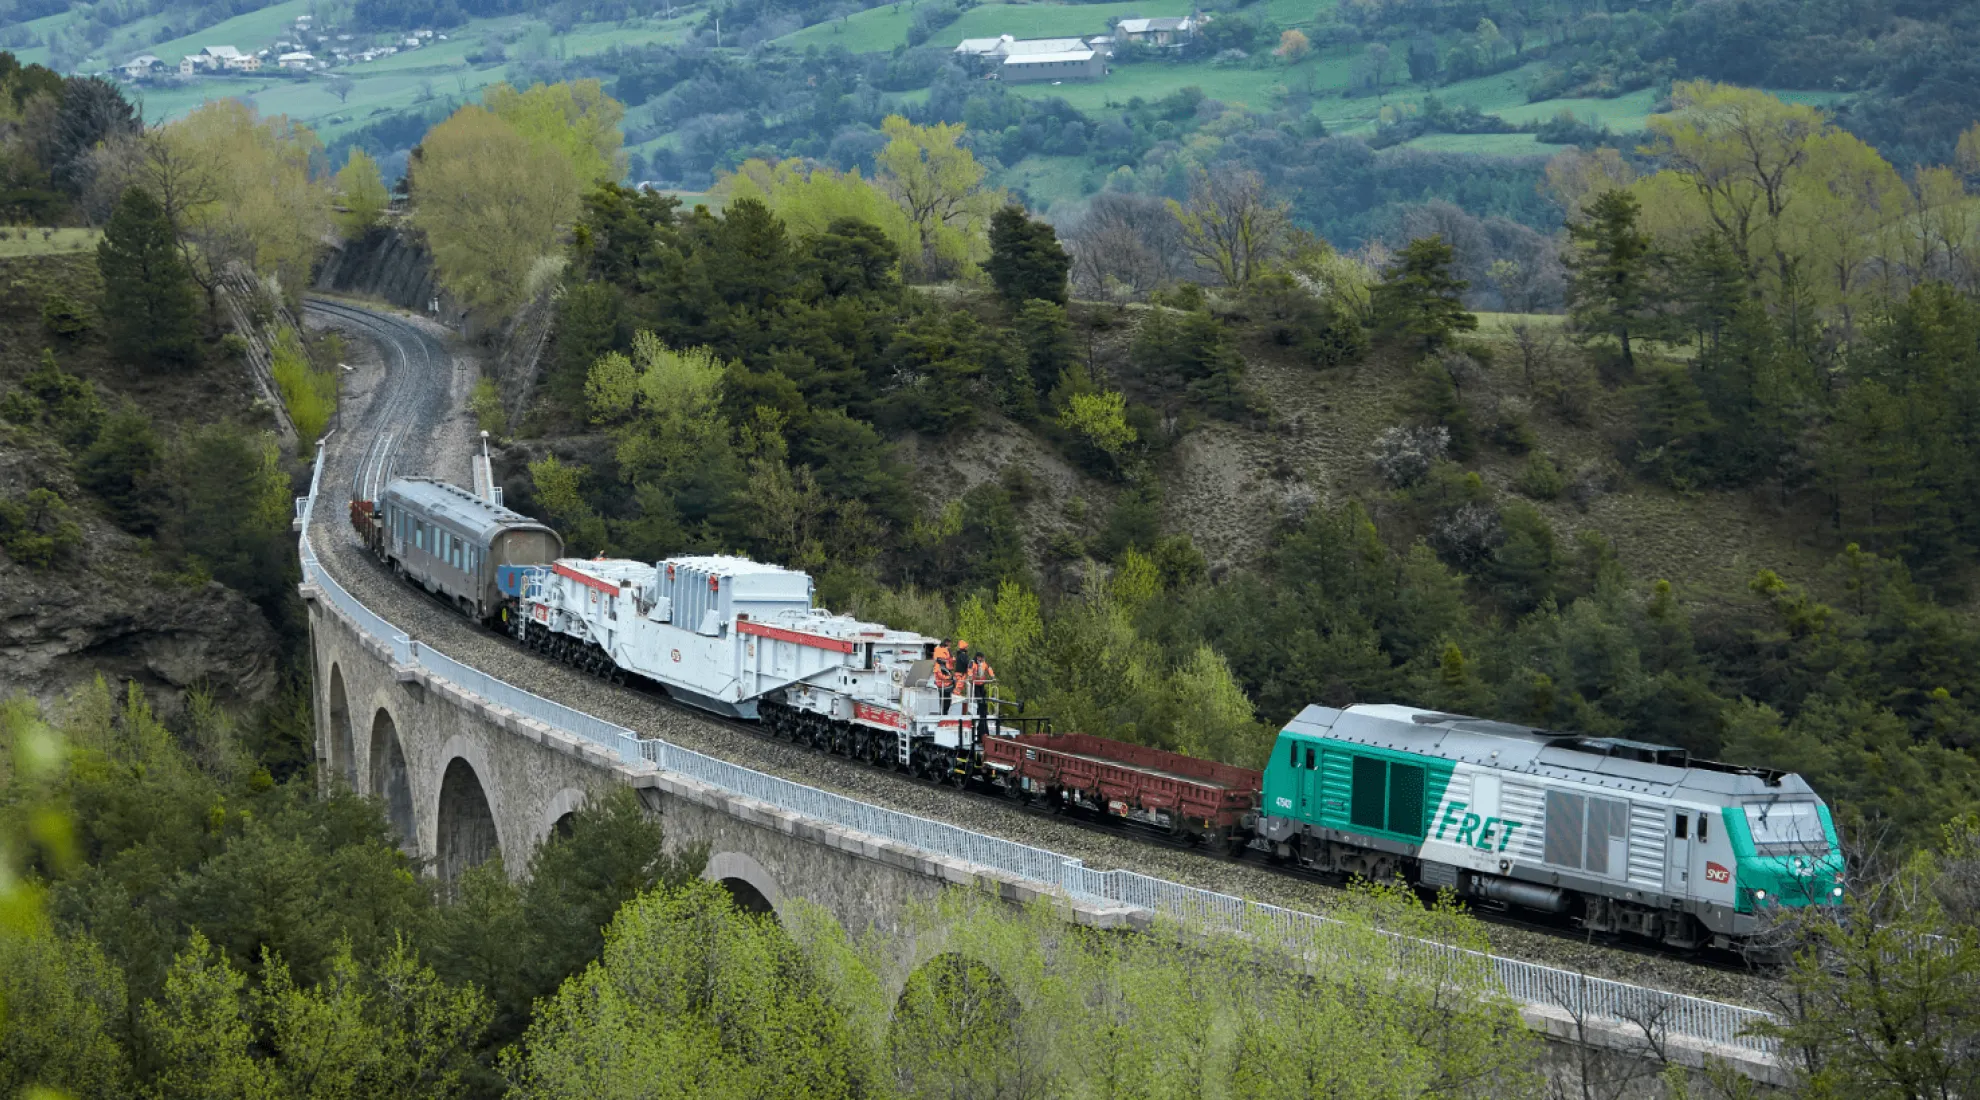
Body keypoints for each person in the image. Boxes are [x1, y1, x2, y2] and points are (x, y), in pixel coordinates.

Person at [932, 639, 954, 714]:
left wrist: (951, 678)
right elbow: (940, 675)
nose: (945, 660)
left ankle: (945, 713)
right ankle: (943, 714)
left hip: (947, 686)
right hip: (942, 686)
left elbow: (949, 669)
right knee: (943, 702)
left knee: (948, 701)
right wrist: (949, 678)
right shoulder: (937, 666)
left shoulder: (944, 665)